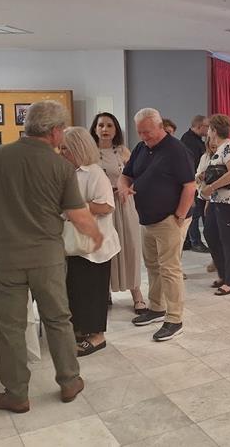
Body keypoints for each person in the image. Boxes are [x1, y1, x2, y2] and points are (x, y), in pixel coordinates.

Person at [0, 100, 102, 413]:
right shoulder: (61, 166)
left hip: (3, 257)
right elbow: (78, 214)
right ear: (54, 132)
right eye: (62, 130)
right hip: (46, 258)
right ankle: (69, 381)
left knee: (10, 328)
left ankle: (16, 394)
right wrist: (96, 235)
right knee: (58, 320)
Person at [119, 108, 195, 342]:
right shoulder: (141, 148)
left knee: (169, 269)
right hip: (147, 219)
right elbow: (126, 174)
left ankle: (174, 319)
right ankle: (156, 308)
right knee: (152, 266)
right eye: (140, 132)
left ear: (160, 127)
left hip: (168, 219)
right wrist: (123, 186)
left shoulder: (176, 150)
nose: (144, 137)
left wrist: (179, 216)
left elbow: (190, 186)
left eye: (148, 132)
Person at [60, 127, 121, 357]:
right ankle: (80, 329)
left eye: (66, 149)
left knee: (93, 291)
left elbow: (106, 206)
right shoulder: (67, 172)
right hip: (76, 243)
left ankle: (97, 336)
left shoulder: (94, 173)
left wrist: (77, 209)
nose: (61, 152)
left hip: (96, 245)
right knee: (76, 289)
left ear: (78, 148)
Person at [90, 112, 146, 314]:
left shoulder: (123, 151)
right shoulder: (89, 152)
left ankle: (137, 294)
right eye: (101, 125)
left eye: (109, 125)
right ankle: (104, 292)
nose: (104, 129)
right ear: (94, 129)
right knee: (104, 249)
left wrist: (128, 188)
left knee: (130, 247)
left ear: (116, 130)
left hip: (123, 204)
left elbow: (137, 176)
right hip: (100, 207)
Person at [201, 114, 230, 295]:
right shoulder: (219, 149)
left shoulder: (229, 147)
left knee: (227, 240)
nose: (207, 133)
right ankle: (223, 274)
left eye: (209, 129)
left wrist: (211, 187)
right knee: (210, 234)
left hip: (229, 200)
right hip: (217, 199)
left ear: (213, 130)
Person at [180, 115, 210, 253]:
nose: (209, 129)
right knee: (195, 214)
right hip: (193, 182)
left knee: (196, 213)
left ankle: (188, 241)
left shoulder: (195, 139)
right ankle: (195, 242)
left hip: (197, 182)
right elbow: (191, 164)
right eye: (207, 126)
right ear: (199, 126)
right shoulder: (189, 140)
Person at [195, 137, 219, 276]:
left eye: (215, 145)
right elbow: (198, 173)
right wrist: (199, 176)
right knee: (208, 231)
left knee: (216, 231)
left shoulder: (223, 157)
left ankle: (219, 259)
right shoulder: (204, 157)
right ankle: (215, 257)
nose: (213, 148)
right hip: (203, 195)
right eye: (211, 145)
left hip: (216, 197)